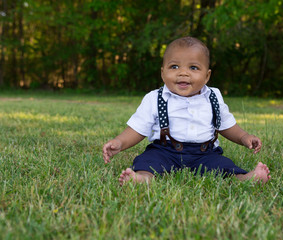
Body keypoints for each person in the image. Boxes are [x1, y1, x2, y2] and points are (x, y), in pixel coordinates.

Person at [103, 36, 270, 185]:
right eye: (174, 67)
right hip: (164, 151)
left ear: (207, 76)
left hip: (205, 153)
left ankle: (244, 179)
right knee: (148, 161)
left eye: (194, 68)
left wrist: (244, 137)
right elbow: (137, 128)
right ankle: (142, 179)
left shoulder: (213, 97)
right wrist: (119, 142)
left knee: (221, 166)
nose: (183, 73)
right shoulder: (155, 98)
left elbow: (226, 125)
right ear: (163, 73)